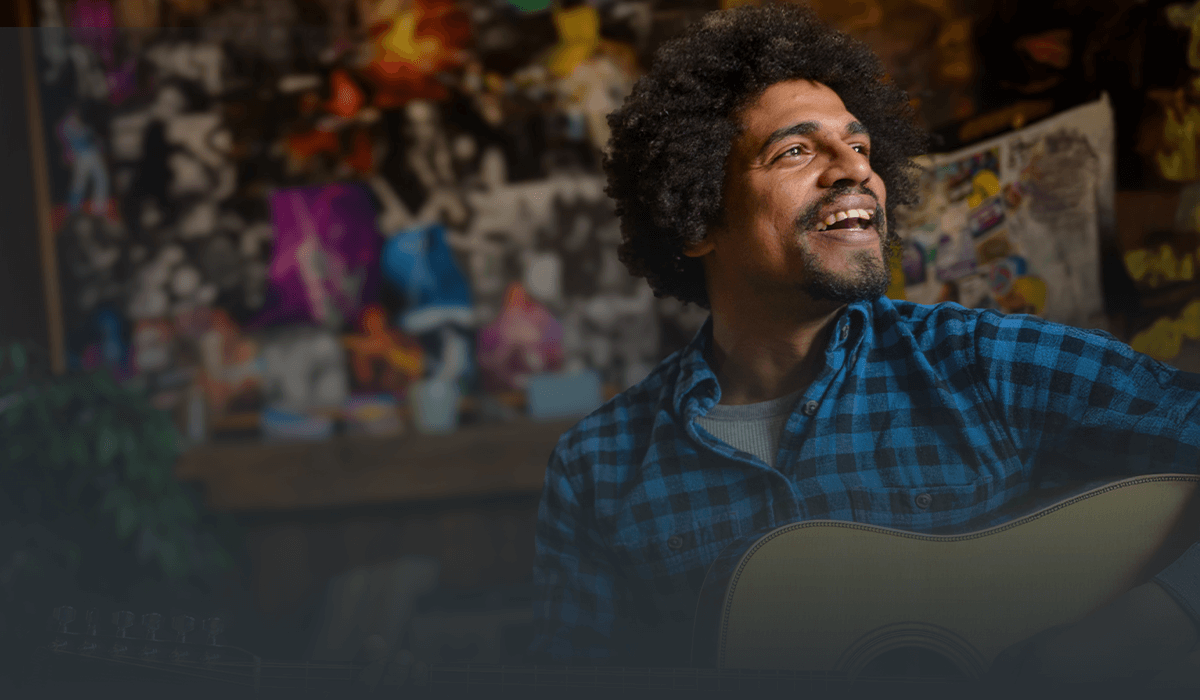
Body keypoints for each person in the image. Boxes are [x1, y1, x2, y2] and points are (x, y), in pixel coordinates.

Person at [528, 3, 1200, 680]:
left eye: (859, 147)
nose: (853, 170)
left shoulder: (983, 364)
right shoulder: (599, 467)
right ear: (696, 216)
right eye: (795, 150)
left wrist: (1160, 617)